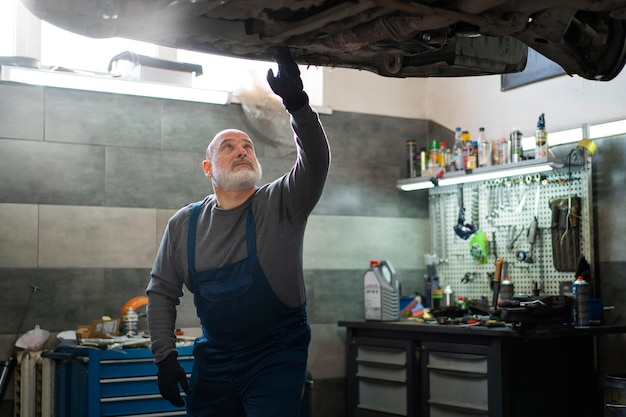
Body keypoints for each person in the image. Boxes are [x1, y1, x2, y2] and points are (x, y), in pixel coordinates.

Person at [146, 46, 331, 417]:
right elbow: (162, 292)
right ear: (208, 168)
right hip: (215, 358)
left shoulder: (282, 202)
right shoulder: (185, 224)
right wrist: (164, 356)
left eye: (247, 146)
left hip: (276, 354)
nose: (241, 151)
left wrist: (298, 106)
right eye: (228, 147)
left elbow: (316, 162)